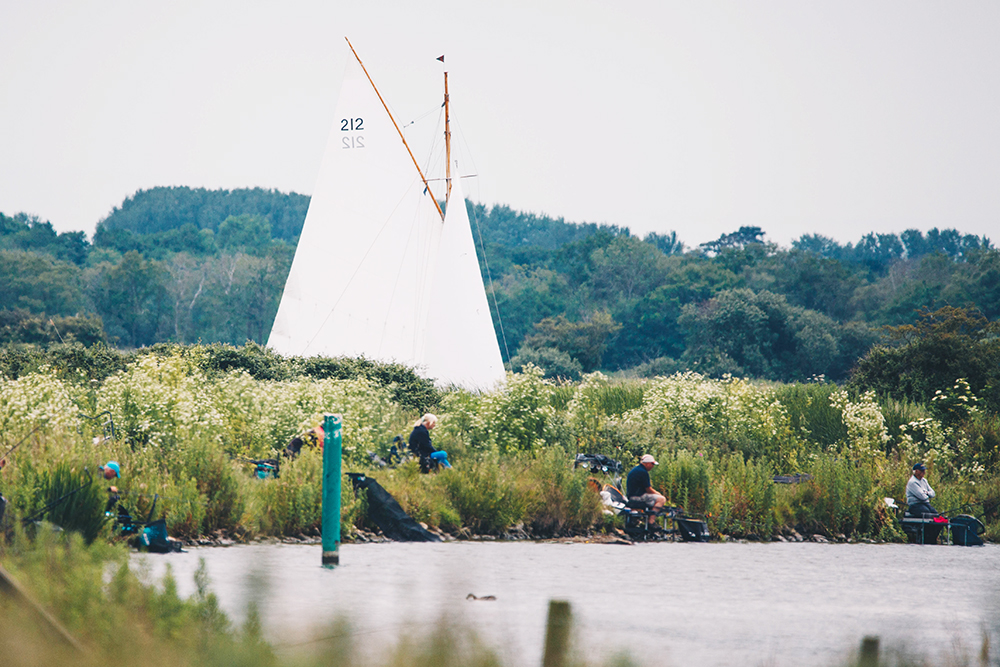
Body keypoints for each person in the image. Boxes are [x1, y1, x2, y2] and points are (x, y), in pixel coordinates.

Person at [626, 454, 666, 524]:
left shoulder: (635, 469)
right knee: (661, 499)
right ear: (647, 464)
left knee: (654, 499)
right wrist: (658, 494)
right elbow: (649, 490)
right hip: (637, 497)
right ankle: (651, 522)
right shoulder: (643, 472)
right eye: (652, 464)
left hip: (631, 496)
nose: (653, 466)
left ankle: (645, 520)